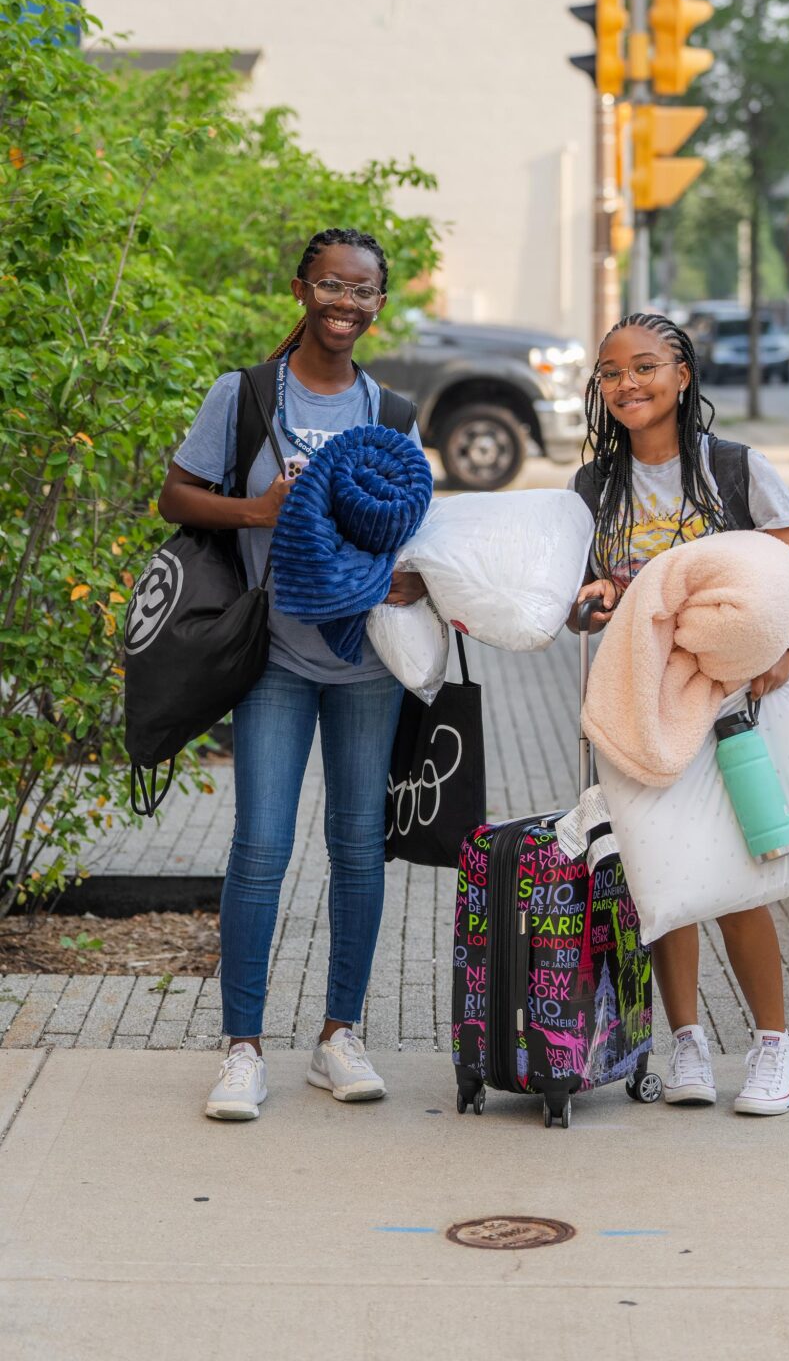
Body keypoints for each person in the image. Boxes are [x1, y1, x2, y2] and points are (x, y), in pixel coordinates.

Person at [158, 228, 427, 1121]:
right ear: (304, 288)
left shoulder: (391, 414)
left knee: (357, 850)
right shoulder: (243, 395)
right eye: (332, 287)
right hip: (271, 654)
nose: (346, 304)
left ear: (379, 304)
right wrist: (256, 508)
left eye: (364, 293)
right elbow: (176, 494)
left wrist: (420, 573)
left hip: (366, 663)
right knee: (262, 849)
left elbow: (414, 523)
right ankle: (242, 1048)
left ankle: (339, 1035)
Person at [570, 311, 789, 1116]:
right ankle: (685, 1043)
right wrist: (587, 607)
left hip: (727, 711)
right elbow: (584, 598)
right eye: (612, 373)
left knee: (734, 878)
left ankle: (773, 1049)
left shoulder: (732, 468)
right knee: (659, 873)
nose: (628, 385)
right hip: (639, 710)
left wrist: (786, 648)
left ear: (683, 375)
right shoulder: (592, 488)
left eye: (646, 367)